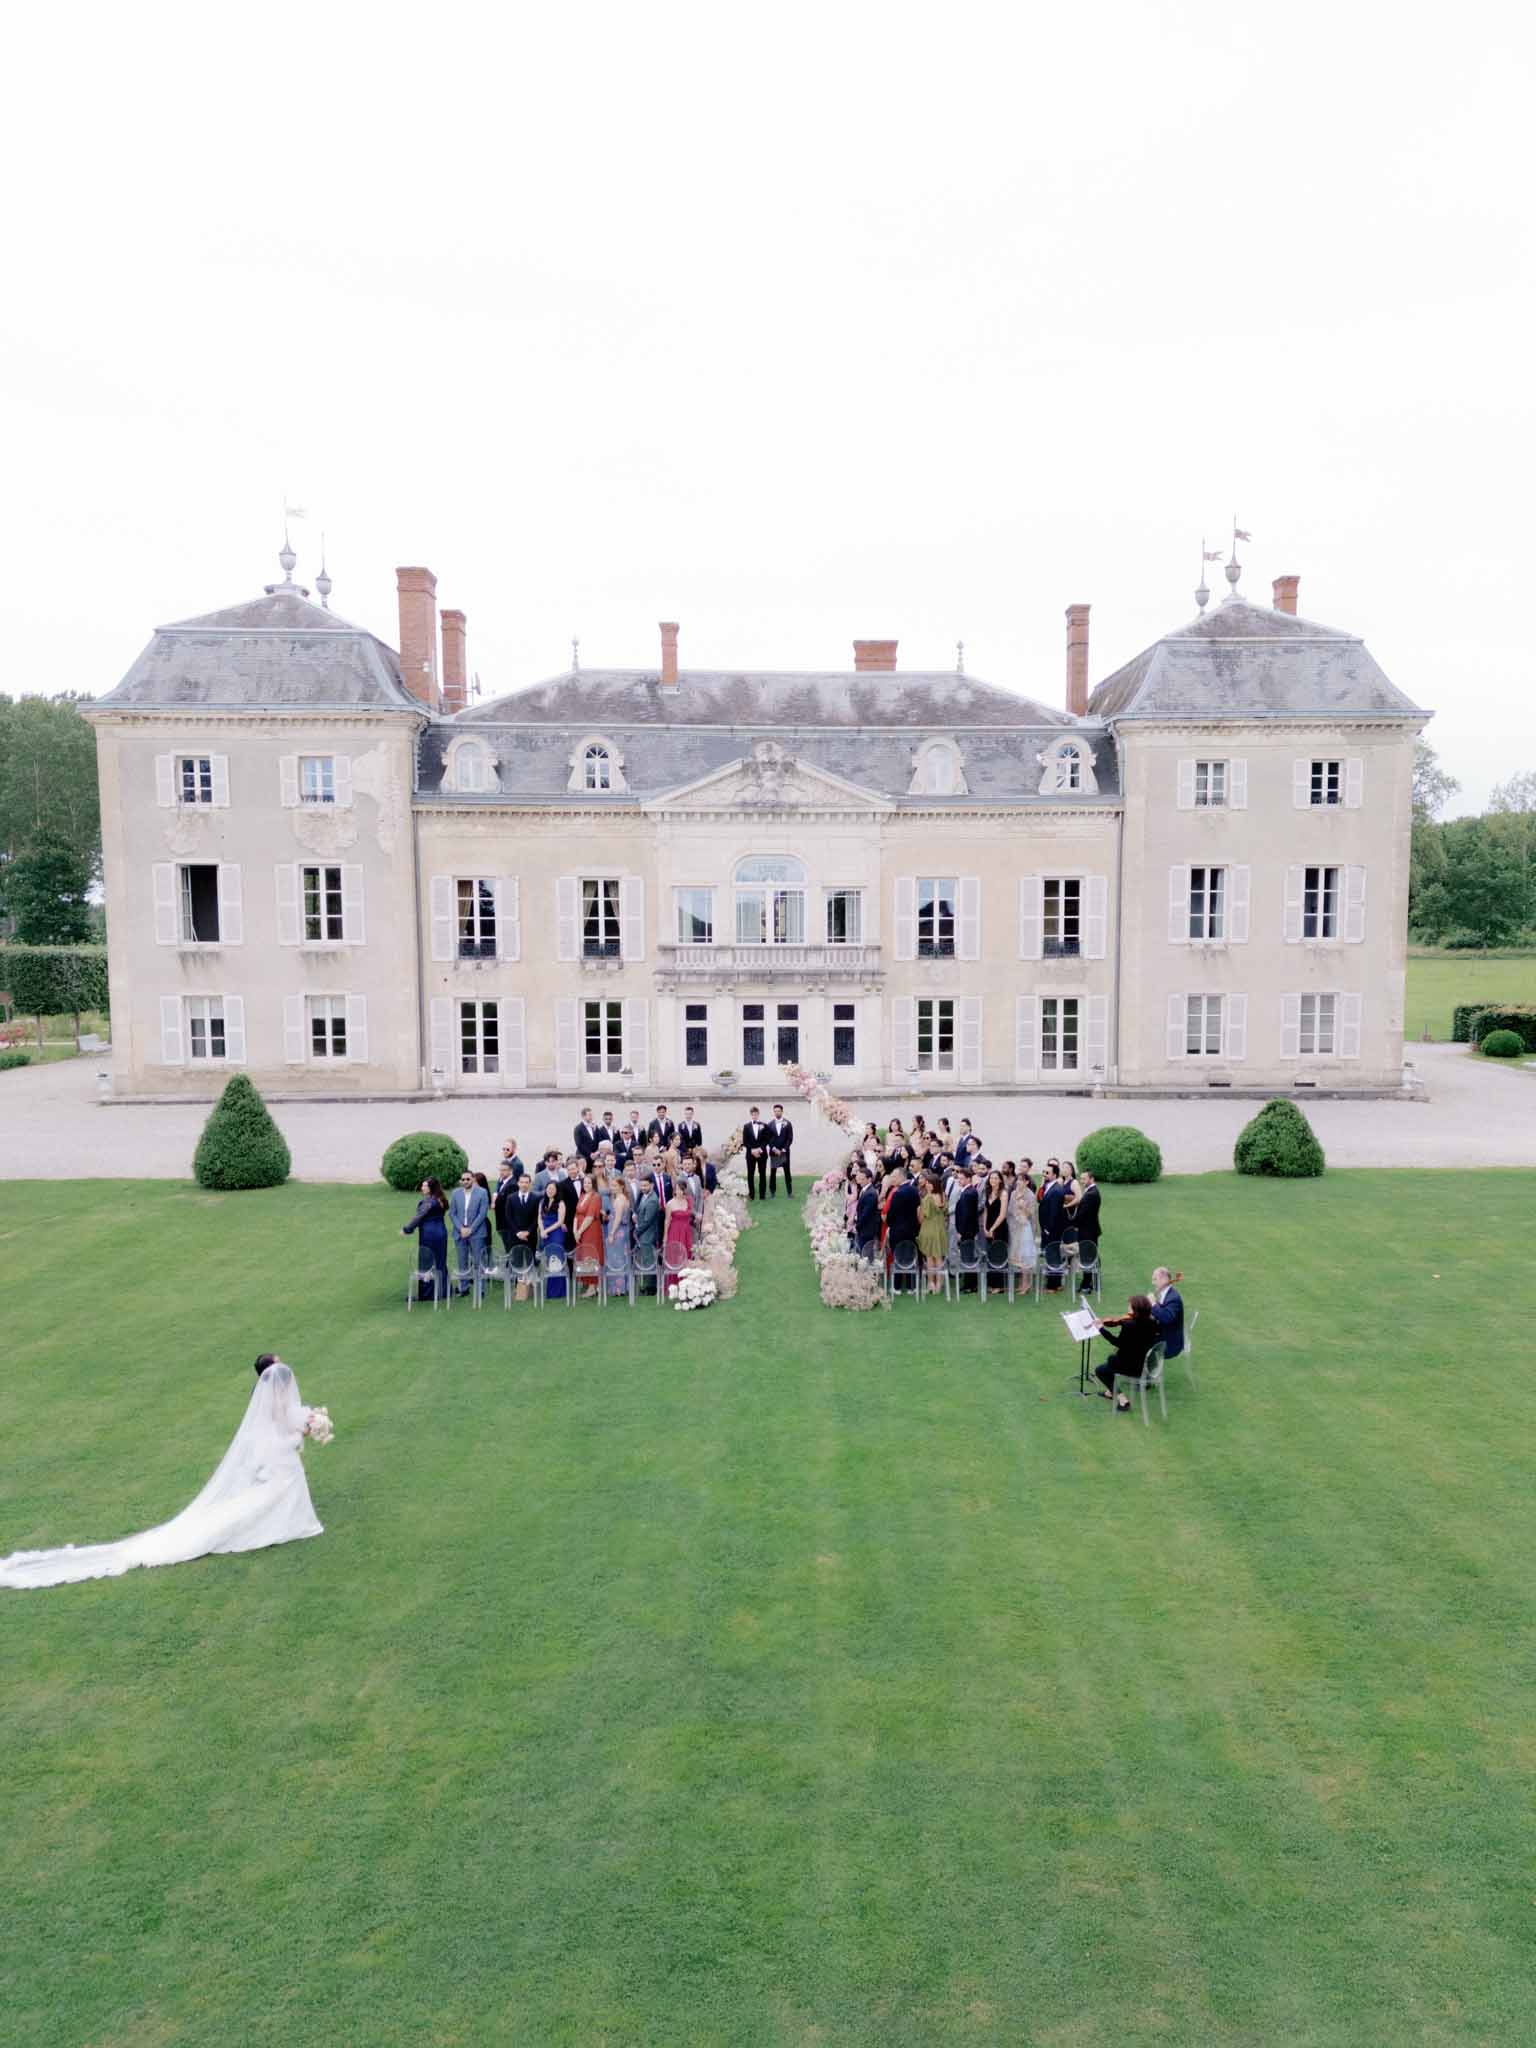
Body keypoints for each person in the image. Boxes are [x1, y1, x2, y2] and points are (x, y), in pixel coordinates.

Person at [1, 1358, 323, 1589]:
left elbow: (283, 1427)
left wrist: (307, 1425)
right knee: (255, 1508)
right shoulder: (271, 1404)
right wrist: (304, 1432)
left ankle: (293, 1523)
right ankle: (292, 1525)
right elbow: (277, 1441)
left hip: (281, 1466)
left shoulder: (270, 1402)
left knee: (268, 1499)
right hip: (281, 1465)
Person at [1092, 1294, 1161, 1410]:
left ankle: (1123, 1400)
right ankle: (1110, 1392)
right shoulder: (1153, 1322)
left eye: (1129, 1307)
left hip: (1132, 1367)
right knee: (1109, 1364)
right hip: (1145, 1363)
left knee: (1101, 1370)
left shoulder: (1129, 1325)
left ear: (1136, 1310)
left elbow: (1117, 1343)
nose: (1127, 1310)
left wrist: (1101, 1329)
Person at [402, 1177, 449, 1298]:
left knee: (426, 1262)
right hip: (441, 1233)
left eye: (425, 1186)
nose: (422, 1188)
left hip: (429, 1234)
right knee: (440, 1262)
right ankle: (442, 1291)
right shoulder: (440, 1199)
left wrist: (407, 1229)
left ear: (431, 1188)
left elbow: (419, 1217)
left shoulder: (428, 1202)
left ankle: (427, 1294)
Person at [449, 1169, 490, 1294]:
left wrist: (471, 1229)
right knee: (462, 1261)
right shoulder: (456, 1193)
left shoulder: (482, 1192)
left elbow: (482, 1213)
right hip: (460, 1231)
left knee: (478, 1261)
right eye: (463, 1179)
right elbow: (452, 1213)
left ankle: (480, 1288)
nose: (465, 1181)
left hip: (476, 1232)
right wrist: (461, 1228)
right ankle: (464, 1287)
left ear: (473, 1179)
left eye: (468, 1179)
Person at [885, 1166, 921, 1289]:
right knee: (911, 1256)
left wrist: (889, 1223)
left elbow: (891, 1214)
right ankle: (911, 1286)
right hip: (912, 1229)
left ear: (901, 1176)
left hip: (898, 1230)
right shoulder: (914, 1190)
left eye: (894, 1177)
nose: (892, 1179)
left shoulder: (898, 1193)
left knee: (898, 1256)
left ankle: (897, 1286)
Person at [1067, 1169, 1102, 1292]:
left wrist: (1070, 1222)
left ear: (1091, 1179)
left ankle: (1087, 1284)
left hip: (1088, 1231)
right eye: (1081, 1179)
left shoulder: (1091, 1194)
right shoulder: (1090, 1192)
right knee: (1089, 1256)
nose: (1082, 1181)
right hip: (1088, 1229)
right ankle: (1090, 1282)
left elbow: (1082, 1214)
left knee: (1088, 1257)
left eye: (1084, 1179)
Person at [503, 1172, 540, 1283]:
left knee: (530, 1259)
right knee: (516, 1259)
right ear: (518, 1183)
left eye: (526, 1182)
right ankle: (517, 1283)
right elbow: (508, 1217)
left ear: (530, 1184)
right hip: (515, 1236)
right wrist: (518, 1232)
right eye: (522, 1182)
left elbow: (536, 1218)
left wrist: (528, 1232)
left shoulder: (535, 1198)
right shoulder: (511, 1198)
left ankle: (529, 1283)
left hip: (530, 1235)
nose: (524, 1185)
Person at [917, 1172, 949, 1295]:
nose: (927, 1185)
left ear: (934, 1184)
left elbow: (922, 1218)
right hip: (940, 1229)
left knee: (930, 1257)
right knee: (939, 1257)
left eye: (929, 1183)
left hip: (928, 1229)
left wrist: (919, 1209)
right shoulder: (943, 1196)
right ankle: (938, 1283)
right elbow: (945, 1213)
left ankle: (931, 1283)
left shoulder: (927, 1198)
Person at [573, 1174, 604, 1297]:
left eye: (589, 1183)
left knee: (590, 1256)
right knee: (584, 1256)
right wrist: (575, 1230)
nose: (586, 1185)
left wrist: (579, 1231)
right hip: (580, 1230)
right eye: (585, 1183)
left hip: (590, 1230)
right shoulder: (582, 1196)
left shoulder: (595, 1197)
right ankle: (589, 1285)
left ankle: (593, 1287)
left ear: (593, 1184)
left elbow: (590, 1216)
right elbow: (576, 1214)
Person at [662, 1181, 695, 1291]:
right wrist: (665, 1236)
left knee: (687, 1254)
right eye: (677, 1189)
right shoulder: (670, 1203)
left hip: (687, 1232)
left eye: (681, 1189)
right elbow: (667, 1221)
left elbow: (692, 1214)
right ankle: (674, 1285)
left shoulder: (689, 1201)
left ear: (684, 1190)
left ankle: (687, 1283)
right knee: (675, 1256)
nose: (679, 1192)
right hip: (675, 1231)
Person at [604, 1176, 634, 1298]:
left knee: (616, 1259)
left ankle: (618, 1289)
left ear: (621, 1186)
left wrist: (611, 1233)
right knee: (623, 1257)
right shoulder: (624, 1198)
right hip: (624, 1231)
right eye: (612, 1186)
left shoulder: (619, 1200)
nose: (613, 1188)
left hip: (618, 1232)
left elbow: (617, 1218)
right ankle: (623, 1287)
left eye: (615, 1186)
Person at [538, 1182, 568, 1299]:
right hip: (545, 1234)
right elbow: (539, 1218)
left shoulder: (560, 1203)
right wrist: (542, 1230)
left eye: (552, 1189)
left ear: (557, 1190)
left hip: (556, 1234)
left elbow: (560, 1222)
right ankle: (550, 1292)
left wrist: (547, 1230)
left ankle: (559, 1291)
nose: (550, 1190)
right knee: (549, 1261)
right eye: (548, 1188)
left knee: (557, 1260)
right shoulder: (542, 1202)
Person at [1007, 1171, 1038, 1285]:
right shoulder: (1014, 1193)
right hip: (1015, 1226)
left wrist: (1023, 1208)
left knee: (1025, 1255)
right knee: (1017, 1254)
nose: (1018, 1182)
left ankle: (1027, 1283)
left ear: (1027, 1182)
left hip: (1025, 1227)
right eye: (1018, 1180)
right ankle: (1022, 1282)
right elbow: (1010, 1209)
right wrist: (1015, 1215)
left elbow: (1032, 1213)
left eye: (1021, 1180)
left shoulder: (1030, 1195)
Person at [634, 1176, 663, 1292]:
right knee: (646, 1260)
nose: (643, 1188)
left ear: (652, 1185)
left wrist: (636, 1231)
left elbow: (647, 1221)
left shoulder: (652, 1200)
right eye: (641, 1185)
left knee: (649, 1260)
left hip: (648, 1234)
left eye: (645, 1185)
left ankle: (651, 1288)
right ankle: (647, 1286)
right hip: (644, 1234)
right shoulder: (644, 1196)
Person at [1149, 1267, 1185, 1359]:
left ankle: (1147, 1371)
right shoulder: (1167, 1294)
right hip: (1164, 1335)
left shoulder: (1173, 1298)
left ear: (1164, 1279)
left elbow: (1166, 1318)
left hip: (1170, 1344)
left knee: (1137, 1344)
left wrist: (1153, 1305)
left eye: (1155, 1279)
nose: (1153, 1283)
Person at [953, 1170, 981, 1289]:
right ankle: (970, 1284)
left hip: (967, 1231)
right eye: (958, 1178)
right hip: (969, 1230)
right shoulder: (968, 1192)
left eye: (962, 1178)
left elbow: (966, 1215)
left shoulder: (968, 1193)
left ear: (969, 1179)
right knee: (967, 1257)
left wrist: (960, 1231)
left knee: (967, 1258)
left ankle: (970, 1285)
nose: (959, 1180)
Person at [982, 1169, 1009, 1281]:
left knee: (998, 1254)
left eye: (995, 1178)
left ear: (1000, 1180)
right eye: (991, 1178)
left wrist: (992, 1229)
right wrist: (984, 1227)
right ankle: (992, 1282)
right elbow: (986, 1211)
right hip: (988, 1227)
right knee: (990, 1254)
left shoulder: (1003, 1193)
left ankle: (999, 1285)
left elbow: (1002, 1215)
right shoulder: (988, 1191)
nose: (993, 1180)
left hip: (999, 1228)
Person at [767, 1104, 794, 1196]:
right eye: (775, 1111)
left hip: (784, 1153)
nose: (777, 1112)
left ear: (782, 1112)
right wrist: (774, 1149)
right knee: (773, 1172)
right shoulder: (769, 1124)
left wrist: (783, 1149)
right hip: (774, 1152)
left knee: (787, 1172)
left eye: (779, 1111)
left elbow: (790, 1138)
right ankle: (772, 1192)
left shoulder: (788, 1123)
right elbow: (768, 1139)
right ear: (773, 1112)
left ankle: (789, 1192)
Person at [855, 1170, 882, 1258]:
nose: (860, 1181)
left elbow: (866, 1214)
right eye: (859, 1179)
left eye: (862, 1179)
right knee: (862, 1251)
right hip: (864, 1227)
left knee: (866, 1253)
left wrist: (858, 1225)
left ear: (869, 1179)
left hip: (867, 1228)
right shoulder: (865, 1191)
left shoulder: (871, 1193)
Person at [744, 1108, 769, 1200]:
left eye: (756, 1114)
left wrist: (759, 1149)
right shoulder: (746, 1126)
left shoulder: (764, 1125)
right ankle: (751, 1195)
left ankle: (762, 1195)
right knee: (750, 1174)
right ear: (751, 1114)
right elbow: (745, 1141)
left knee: (762, 1174)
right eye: (753, 1114)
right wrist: (752, 1150)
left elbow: (766, 1139)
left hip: (762, 1154)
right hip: (750, 1155)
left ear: (758, 1114)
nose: (754, 1115)